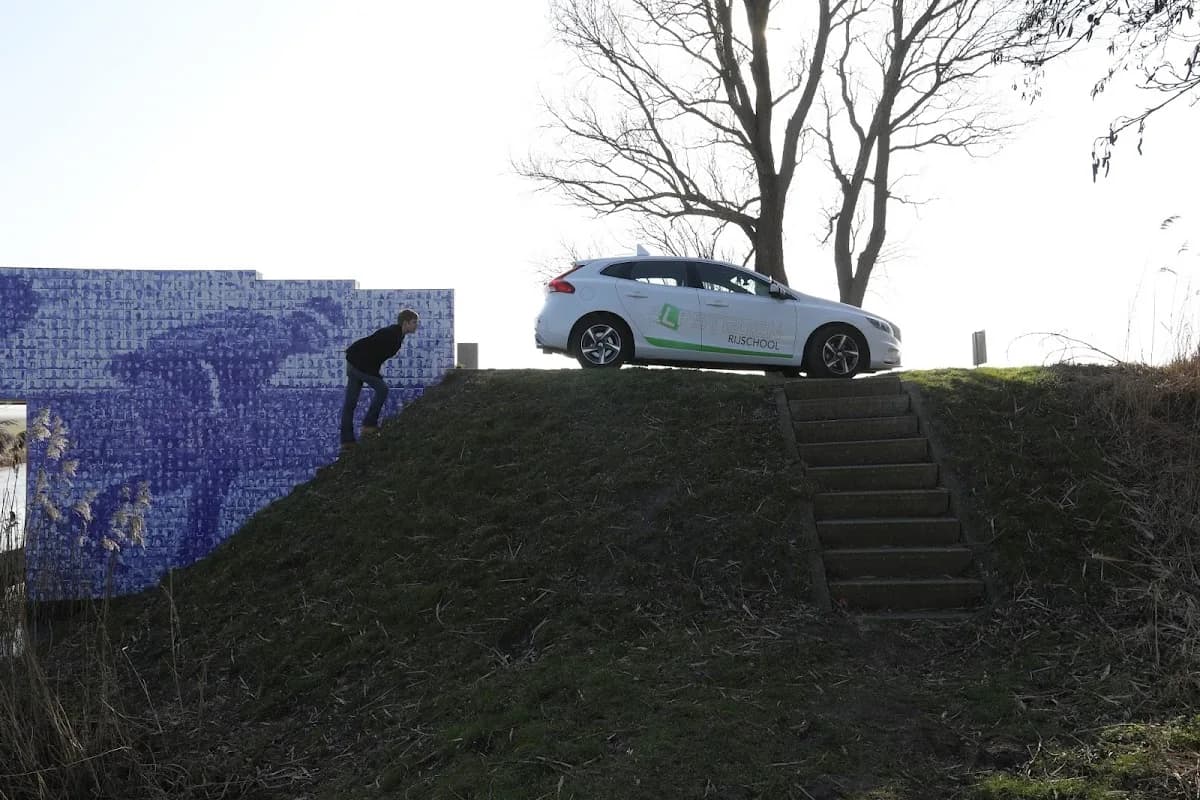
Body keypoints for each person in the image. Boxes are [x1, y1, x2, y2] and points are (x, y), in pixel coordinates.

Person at [340, 309, 420, 450]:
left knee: (350, 404)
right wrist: (375, 374)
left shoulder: (398, 336)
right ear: (405, 323)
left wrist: (374, 372)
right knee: (382, 389)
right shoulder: (390, 334)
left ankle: (347, 441)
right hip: (357, 363)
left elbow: (376, 355)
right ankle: (369, 425)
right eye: (414, 322)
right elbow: (372, 352)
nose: (416, 326)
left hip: (357, 364)